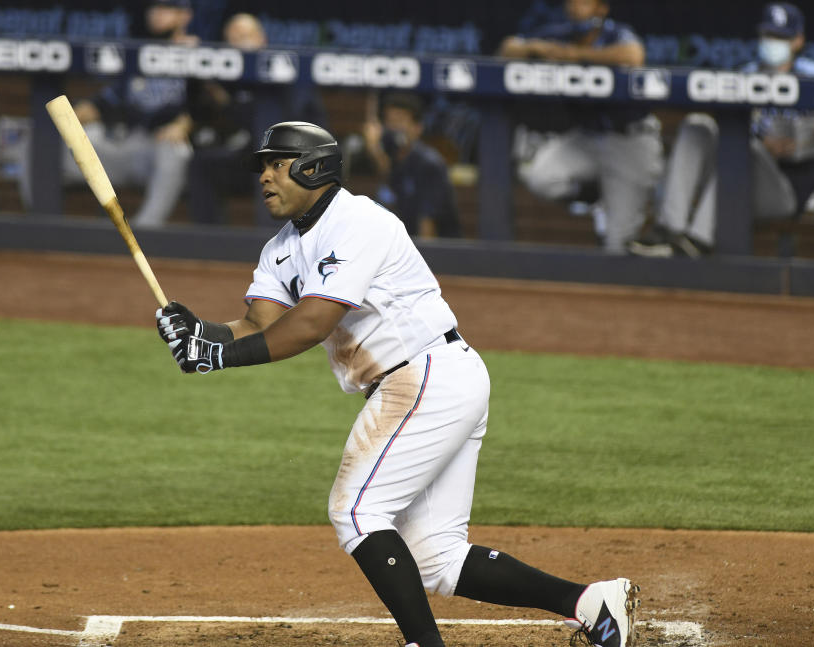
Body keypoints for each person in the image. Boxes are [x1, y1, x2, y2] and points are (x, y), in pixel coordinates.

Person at [153, 121, 640, 647]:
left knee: (356, 510)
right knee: (437, 558)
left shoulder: (357, 221)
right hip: (428, 382)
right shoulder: (281, 248)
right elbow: (259, 326)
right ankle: (590, 602)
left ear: (312, 166)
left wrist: (217, 358)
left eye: (276, 163)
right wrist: (198, 331)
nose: (265, 176)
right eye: (263, 167)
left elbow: (312, 324)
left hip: (425, 374)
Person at [629, 2, 814, 258]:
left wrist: (804, 142)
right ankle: (669, 228)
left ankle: (699, 239)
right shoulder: (746, 74)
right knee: (698, 126)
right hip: (739, 181)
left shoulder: (813, 75)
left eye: (781, 37)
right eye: (769, 35)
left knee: (747, 149)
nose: (773, 42)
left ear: (798, 41)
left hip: (785, 192)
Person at [499, 0, 663, 254]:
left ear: (601, 9)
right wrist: (536, 47)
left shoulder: (615, 33)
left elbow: (633, 56)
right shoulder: (561, 32)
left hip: (630, 140)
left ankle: (613, 198)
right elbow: (507, 49)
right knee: (540, 176)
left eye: (584, 2)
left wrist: (573, 55)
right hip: (586, 139)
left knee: (617, 248)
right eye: (571, 2)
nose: (575, 7)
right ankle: (594, 198)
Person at [59, 0, 198, 227]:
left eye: (167, 8)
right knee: (56, 144)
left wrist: (186, 123)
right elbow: (109, 99)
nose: (157, 14)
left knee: (175, 149)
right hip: (129, 146)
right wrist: (82, 112)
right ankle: (44, 227)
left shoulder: (199, 56)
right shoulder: (138, 53)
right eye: (155, 8)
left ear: (185, 16)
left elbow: (210, 106)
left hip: (162, 151)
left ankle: (146, 230)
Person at [186, 12, 328, 225]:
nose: (238, 44)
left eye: (244, 36)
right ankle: (210, 241)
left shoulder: (283, 69)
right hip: (252, 157)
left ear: (262, 39)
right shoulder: (231, 76)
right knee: (202, 165)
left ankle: (273, 241)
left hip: (296, 161)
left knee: (268, 153)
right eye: (232, 40)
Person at [362, 92, 462, 238]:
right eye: (390, 121)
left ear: (417, 128)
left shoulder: (429, 164)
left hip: (438, 253)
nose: (394, 128)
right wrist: (375, 150)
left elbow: (427, 230)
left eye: (400, 121)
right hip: (402, 246)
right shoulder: (391, 157)